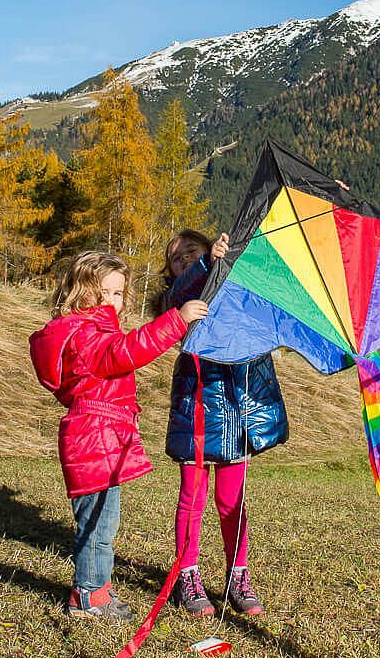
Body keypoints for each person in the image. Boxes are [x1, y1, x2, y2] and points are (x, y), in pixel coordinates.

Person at [29, 251, 207, 620]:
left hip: (99, 434)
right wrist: (176, 320)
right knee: (98, 524)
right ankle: (89, 597)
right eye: (104, 292)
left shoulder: (84, 330)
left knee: (101, 521)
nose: (114, 301)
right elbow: (123, 353)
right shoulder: (85, 335)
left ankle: (96, 588)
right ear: (80, 291)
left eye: (119, 293)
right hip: (94, 436)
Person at [158, 230, 289, 618]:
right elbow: (174, 300)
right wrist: (204, 265)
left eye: (191, 252)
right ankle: (188, 574)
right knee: (193, 496)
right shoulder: (179, 300)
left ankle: (238, 574)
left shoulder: (236, 285)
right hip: (196, 399)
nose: (184, 260)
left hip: (234, 403)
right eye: (177, 259)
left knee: (232, 498)